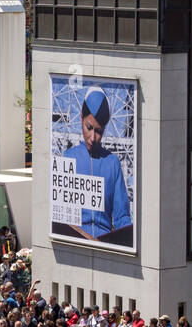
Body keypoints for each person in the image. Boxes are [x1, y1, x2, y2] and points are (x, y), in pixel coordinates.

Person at [52, 87, 132, 245]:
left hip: (104, 243)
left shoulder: (112, 163)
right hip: (74, 241)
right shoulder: (69, 157)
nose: (93, 137)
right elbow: (60, 213)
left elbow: (122, 217)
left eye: (99, 131)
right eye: (89, 128)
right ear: (81, 118)